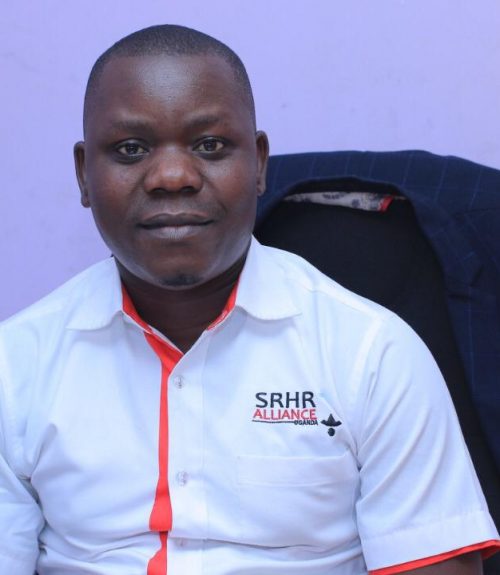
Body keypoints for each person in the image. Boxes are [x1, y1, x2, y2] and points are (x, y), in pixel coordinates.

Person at [0, 24, 498, 575]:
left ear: (259, 163)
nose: (172, 176)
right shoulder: (16, 365)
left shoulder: (373, 354)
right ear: (83, 175)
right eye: (131, 149)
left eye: (210, 145)